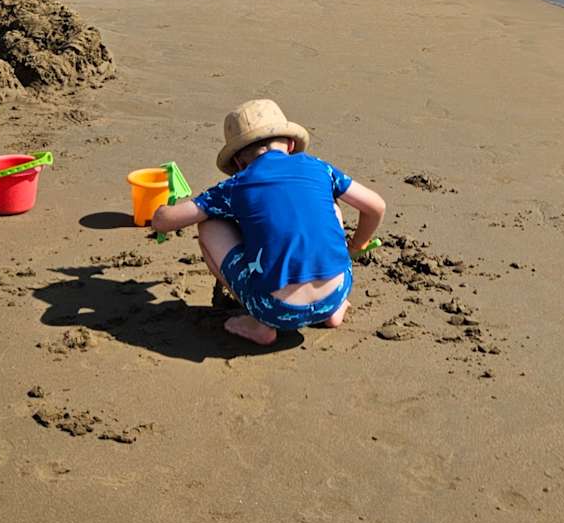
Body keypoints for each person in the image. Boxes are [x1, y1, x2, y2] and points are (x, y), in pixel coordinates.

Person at [146, 99, 386, 346]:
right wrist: (356, 246)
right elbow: (376, 206)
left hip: (274, 309)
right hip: (338, 290)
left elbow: (164, 223)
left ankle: (259, 324)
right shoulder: (319, 167)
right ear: (290, 145)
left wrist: (160, 210)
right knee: (330, 201)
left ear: (239, 163)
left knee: (209, 226)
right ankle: (333, 311)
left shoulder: (235, 185)